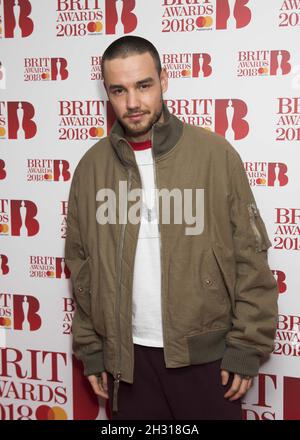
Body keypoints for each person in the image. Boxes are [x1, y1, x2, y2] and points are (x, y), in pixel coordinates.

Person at [65, 35, 279, 420]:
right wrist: (91, 349)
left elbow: (250, 255)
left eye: (143, 85)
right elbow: (81, 267)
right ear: (107, 93)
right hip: (125, 362)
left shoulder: (215, 155)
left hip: (206, 360)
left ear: (164, 80)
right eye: (119, 90)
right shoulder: (90, 169)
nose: (132, 103)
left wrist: (247, 344)